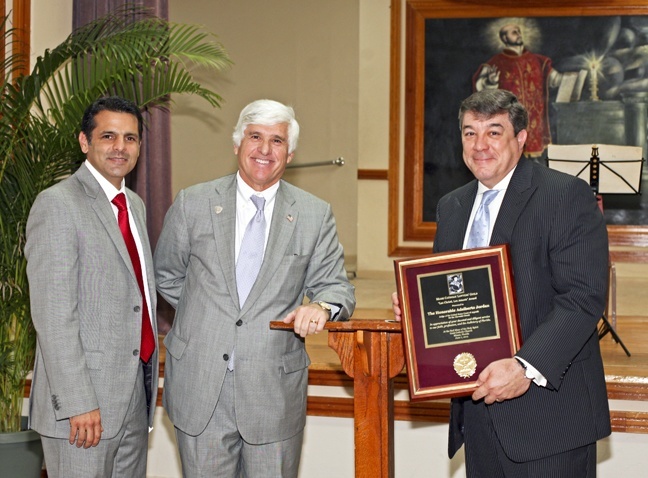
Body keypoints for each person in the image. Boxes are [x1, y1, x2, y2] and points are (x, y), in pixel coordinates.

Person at [393, 89, 611, 476]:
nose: (480, 145)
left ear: (522, 138)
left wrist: (525, 366)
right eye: (469, 132)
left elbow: (583, 297)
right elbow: (454, 295)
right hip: (477, 413)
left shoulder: (563, 195)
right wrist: (417, 310)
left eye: (494, 132)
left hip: (549, 419)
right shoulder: (453, 206)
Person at [154, 99, 356, 477]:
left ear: (290, 153)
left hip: (272, 393)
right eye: (255, 137)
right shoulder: (193, 203)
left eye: (277, 141)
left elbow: (336, 287)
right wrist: (208, 315)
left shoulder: (314, 214)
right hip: (200, 387)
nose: (264, 150)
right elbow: (166, 274)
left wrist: (322, 308)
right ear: (236, 145)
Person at [25, 96, 159, 477]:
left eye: (130, 139)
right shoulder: (57, 204)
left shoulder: (134, 204)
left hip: (134, 395)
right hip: (83, 407)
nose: (120, 147)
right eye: (109, 136)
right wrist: (78, 401)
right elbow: (53, 316)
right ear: (85, 142)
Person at [473, 23, 563, 158]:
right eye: (514, 32)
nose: (519, 34)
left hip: (535, 125)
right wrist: (491, 82)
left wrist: (574, 78)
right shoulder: (495, 63)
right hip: (509, 124)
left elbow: (556, 80)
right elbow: (480, 89)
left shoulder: (538, 60)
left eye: (519, 31)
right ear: (504, 38)